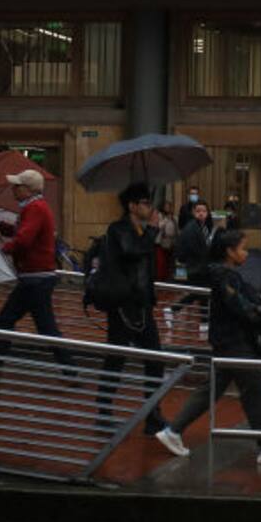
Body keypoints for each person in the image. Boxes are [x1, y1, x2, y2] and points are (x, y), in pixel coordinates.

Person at [155, 229, 261, 460]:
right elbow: (239, 304)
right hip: (234, 342)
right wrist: (260, 313)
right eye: (242, 248)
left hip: (226, 341)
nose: (246, 253)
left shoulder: (225, 274)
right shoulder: (224, 276)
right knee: (255, 391)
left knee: (210, 390)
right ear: (229, 252)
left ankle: (173, 431)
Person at [96, 182, 174, 438]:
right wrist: (152, 230)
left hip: (141, 305)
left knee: (155, 359)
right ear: (132, 206)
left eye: (149, 203)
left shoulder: (141, 231)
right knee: (115, 360)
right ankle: (103, 412)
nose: (149, 208)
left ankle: (153, 414)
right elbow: (133, 250)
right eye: (144, 203)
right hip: (121, 306)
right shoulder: (118, 230)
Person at [0, 169, 72, 371]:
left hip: (35, 279)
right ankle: (70, 370)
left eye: (17, 186)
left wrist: (5, 248)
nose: (13, 189)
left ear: (28, 189)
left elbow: (24, 239)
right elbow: (22, 231)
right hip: (36, 278)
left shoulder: (35, 208)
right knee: (45, 327)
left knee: (8, 318)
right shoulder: (34, 207)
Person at [168, 198, 214, 333]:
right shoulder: (191, 228)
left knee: (201, 293)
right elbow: (188, 252)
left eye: (204, 211)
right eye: (198, 211)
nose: (201, 213)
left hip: (198, 267)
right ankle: (203, 323)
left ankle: (203, 323)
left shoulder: (203, 227)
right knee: (202, 293)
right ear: (194, 212)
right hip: (194, 268)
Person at [154, 199, 177, 282]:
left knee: (169, 266)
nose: (168, 208)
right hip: (161, 244)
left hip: (171, 244)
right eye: (166, 206)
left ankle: (168, 282)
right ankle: (160, 282)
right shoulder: (159, 215)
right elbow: (158, 226)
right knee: (161, 265)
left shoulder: (173, 217)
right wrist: (166, 219)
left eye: (169, 206)